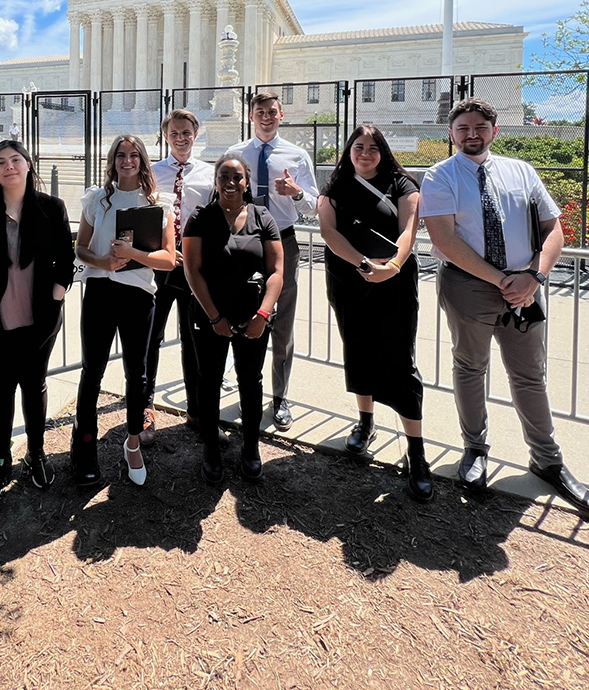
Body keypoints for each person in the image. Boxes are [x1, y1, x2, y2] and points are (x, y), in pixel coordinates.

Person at [421, 98, 589, 516]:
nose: (471, 134)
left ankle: (547, 459)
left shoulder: (522, 171)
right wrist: (501, 281)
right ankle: (475, 449)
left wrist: (533, 277)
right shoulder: (440, 176)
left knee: (530, 376)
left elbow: (554, 230)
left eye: (480, 126)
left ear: (495, 131)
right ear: (451, 134)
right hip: (469, 287)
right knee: (470, 368)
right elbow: (444, 240)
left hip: (527, 285)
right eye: (463, 128)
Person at [317, 125, 432, 501]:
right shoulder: (334, 187)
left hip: (395, 284)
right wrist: (365, 264)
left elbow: (408, 232)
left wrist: (393, 266)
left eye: (372, 148)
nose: (365, 153)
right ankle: (365, 423)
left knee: (399, 360)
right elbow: (330, 234)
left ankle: (416, 453)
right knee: (359, 351)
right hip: (350, 282)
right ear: (349, 151)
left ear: (383, 152)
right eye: (358, 147)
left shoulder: (403, 184)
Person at [0, 141, 75, 506]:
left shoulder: (50, 207)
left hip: (39, 313)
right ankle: (1, 459)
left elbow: (65, 256)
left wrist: (58, 291)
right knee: (1, 389)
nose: (9, 167)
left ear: (28, 164)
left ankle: (35, 452)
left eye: (16, 160)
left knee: (34, 383)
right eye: (0, 163)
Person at [71, 135, 176, 487]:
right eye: (120, 155)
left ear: (143, 161)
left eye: (133, 155)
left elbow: (168, 259)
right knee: (92, 370)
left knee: (138, 373)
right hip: (100, 292)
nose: (127, 161)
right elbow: (80, 249)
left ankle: (133, 443)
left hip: (138, 296)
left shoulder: (158, 204)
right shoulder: (97, 200)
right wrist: (102, 260)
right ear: (112, 160)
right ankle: (84, 447)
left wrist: (134, 256)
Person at [182, 155, 283, 483]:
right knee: (208, 381)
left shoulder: (262, 216)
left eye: (237, 177)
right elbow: (192, 270)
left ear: (247, 182)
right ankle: (211, 450)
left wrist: (262, 314)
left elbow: (277, 272)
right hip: (210, 316)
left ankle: (251, 448)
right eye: (223, 176)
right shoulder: (201, 217)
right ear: (215, 181)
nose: (230, 182)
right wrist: (214, 318)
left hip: (253, 316)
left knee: (250, 381)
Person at [228, 91, 318, 430]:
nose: (266, 117)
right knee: (242, 312)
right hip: (245, 240)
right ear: (251, 116)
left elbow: (314, 202)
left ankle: (280, 397)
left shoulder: (296, 155)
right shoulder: (236, 154)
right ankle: (245, 385)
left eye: (272, 112)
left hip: (283, 240)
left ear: (281, 116)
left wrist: (296, 193)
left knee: (283, 321)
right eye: (260, 112)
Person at [142, 109, 215, 445]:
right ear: (166, 136)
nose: (181, 138)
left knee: (193, 340)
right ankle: (145, 407)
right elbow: (144, 217)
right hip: (159, 268)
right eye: (175, 133)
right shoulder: (153, 173)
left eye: (187, 132)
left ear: (195, 135)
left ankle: (197, 410)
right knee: (150, 337)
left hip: (193, 269)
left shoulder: (210, 174)